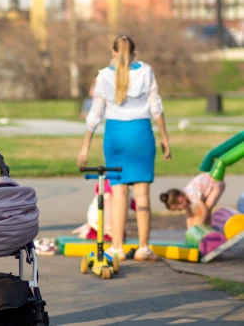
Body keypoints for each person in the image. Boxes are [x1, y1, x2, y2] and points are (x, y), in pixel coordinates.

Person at [78, 35, 171, 262]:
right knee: (141, 195)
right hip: (141, 134)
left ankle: (117, 247)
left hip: (116, 136)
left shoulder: (103, 76)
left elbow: (95, 115)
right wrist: (165, 138)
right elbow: (156, 108)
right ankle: (143, 248)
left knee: (119, 193)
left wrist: (84, 147)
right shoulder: (146, 71)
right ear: (134, 53)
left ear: (113, 53)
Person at [160, 173, 225, 228]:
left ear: (180, 199)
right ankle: (208, 226)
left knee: (207, 206)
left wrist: (200, 226)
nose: (180, 210)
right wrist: (190, 231)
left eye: (179, 209)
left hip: (216, 183)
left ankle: (208, 227)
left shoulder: (192, 195)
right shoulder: (185, 200)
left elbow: (205, 211)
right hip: (208, 188)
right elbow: (190, 216)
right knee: (200, 210)